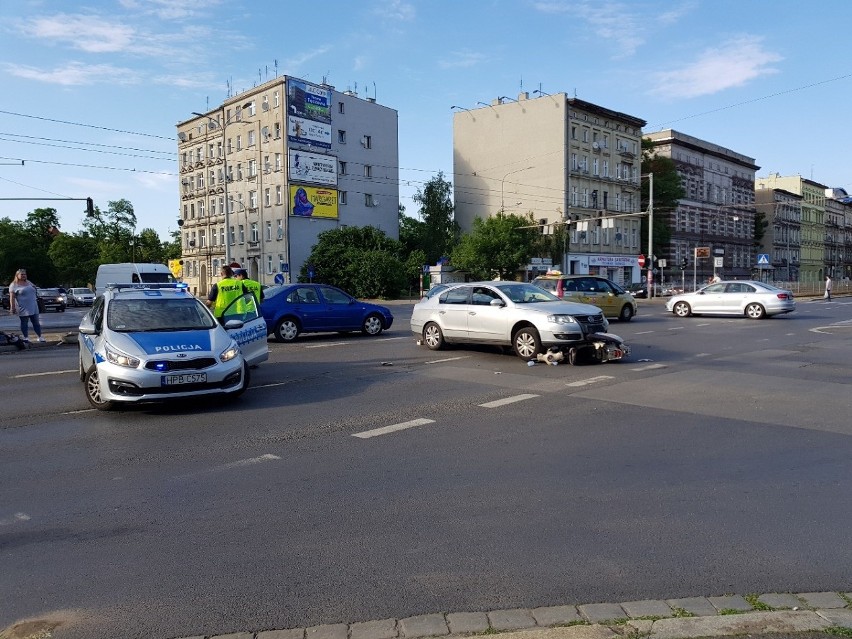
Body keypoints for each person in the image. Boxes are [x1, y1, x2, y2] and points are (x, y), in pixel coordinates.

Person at [9, 269, 45, 343]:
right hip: (23, 307)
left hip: (33, 306)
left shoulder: (28, 282)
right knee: (24, 322)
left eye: (24, 274)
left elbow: (34, 288)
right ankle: (26, 337)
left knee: (36, 322)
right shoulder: (14, 285)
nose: (23, 276)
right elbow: (12, 297)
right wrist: (12, 308)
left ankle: (40, 337)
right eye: (21, 274)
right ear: (17, 276)